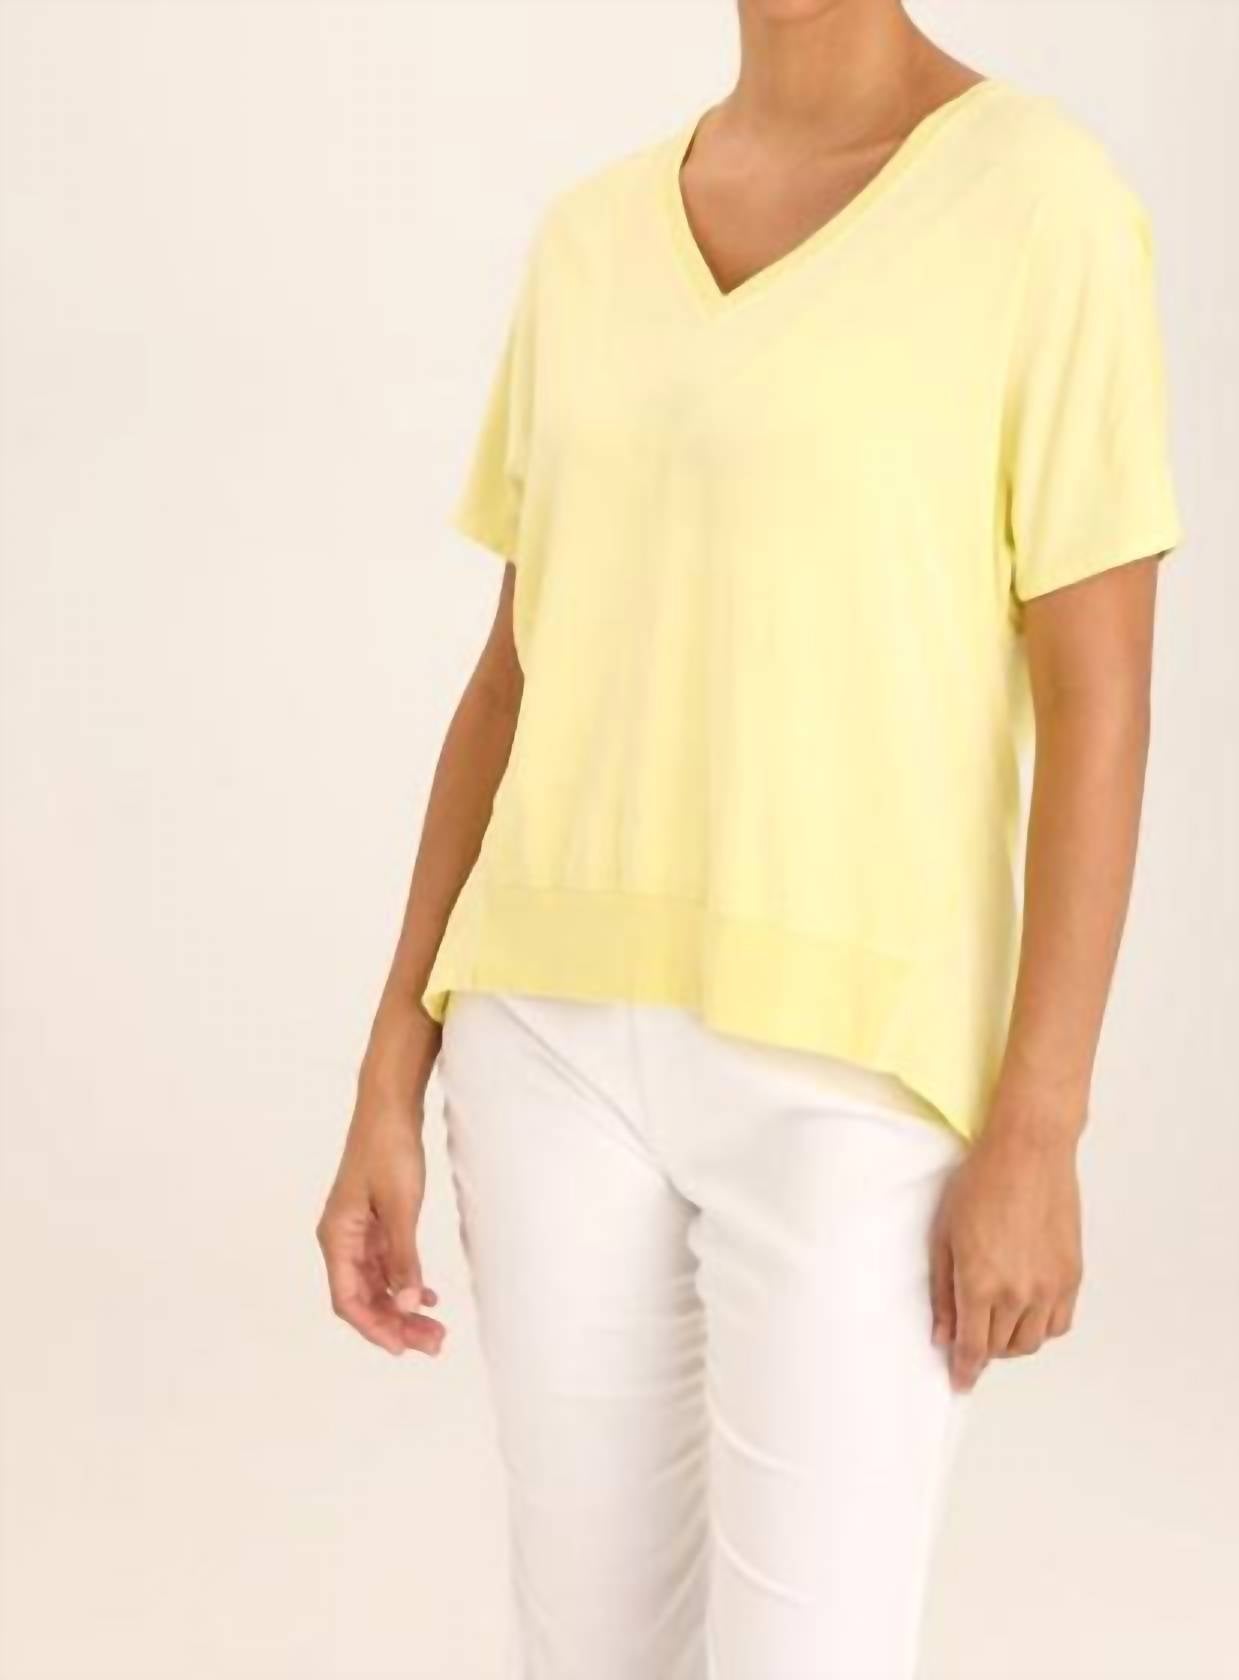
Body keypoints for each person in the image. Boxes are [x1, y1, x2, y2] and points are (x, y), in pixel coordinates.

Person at [316, 1, 1183, 1673]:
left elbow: (1101, 698)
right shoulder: (588, 239)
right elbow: (512, 675)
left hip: (858, 1077)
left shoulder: (1041, 203)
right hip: (546, 1044)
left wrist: (1043, 1122)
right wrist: (388, 1068)